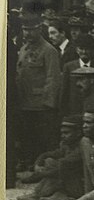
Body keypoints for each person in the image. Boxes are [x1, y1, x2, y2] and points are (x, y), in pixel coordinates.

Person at [17, 12, 62, 171]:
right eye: (25, 30)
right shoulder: (23, 49)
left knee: (42, 139)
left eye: (31, 30)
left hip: (41, 105)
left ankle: (40, 168)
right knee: (27, 136)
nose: (27, 33)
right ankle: (29, 163)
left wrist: (48, 103)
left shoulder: (49, 50)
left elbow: (53, 78)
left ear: (39, 29)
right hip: (24, 103)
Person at [17, 114, 85, 200]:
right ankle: (58, 197)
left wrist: (37, 176)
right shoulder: (67, 144)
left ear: (78, 133)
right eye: (62, 133)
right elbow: (50, 154)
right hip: (66, 180)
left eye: (66, 133)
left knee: (55, 166)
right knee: (50, 160)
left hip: (79, 184)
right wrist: (38, 163)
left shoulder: (82, 146)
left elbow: (63, 167)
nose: (63, 136)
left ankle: (38, 194)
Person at [61, 34, 94, 114]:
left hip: (92, 109)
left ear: (92, 50)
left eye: (87, 49)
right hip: (73, 108)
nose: (84, 52)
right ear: (76, 50)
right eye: (81, 49)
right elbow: (64, 91)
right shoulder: (69, 67)